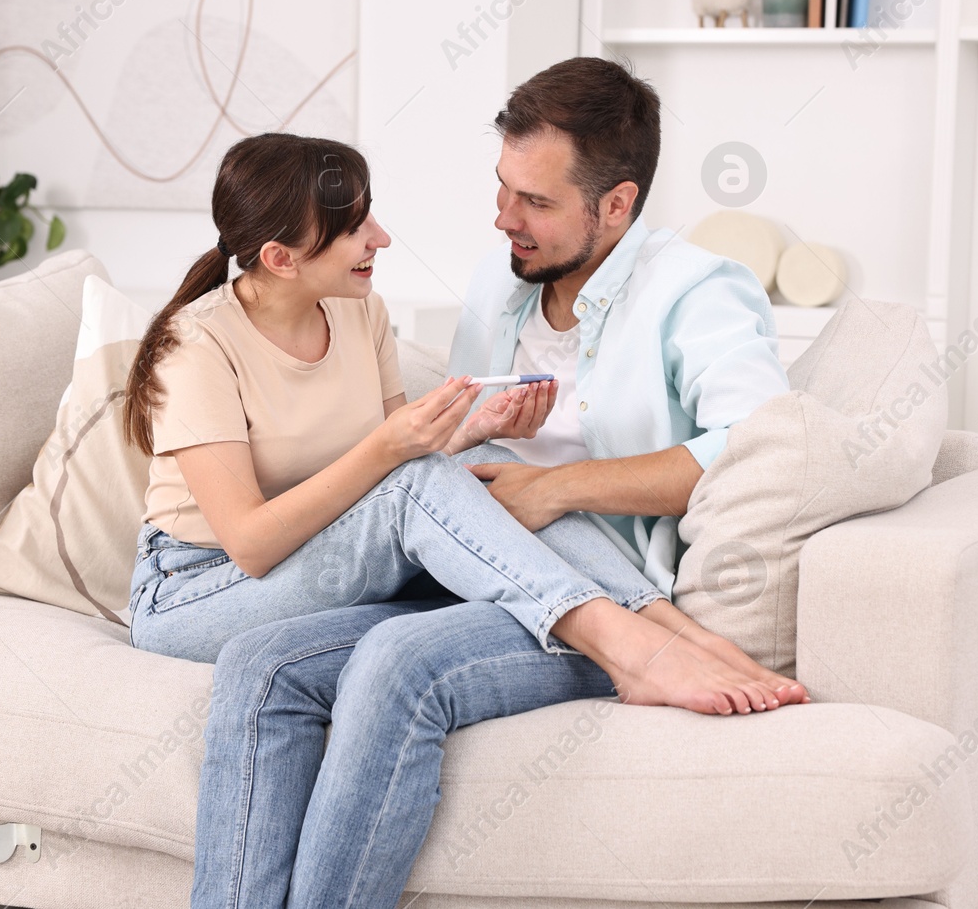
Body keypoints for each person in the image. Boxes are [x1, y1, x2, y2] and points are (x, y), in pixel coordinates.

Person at [190, 58, 804, 909]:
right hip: (467, 572)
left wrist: (559, 488)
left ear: (617, 203)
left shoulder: (697, 292)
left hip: (591, 588)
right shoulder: (501, 279)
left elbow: (756, 450)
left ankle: (643, 637)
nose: (503, 218)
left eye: (537, 203)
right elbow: (448, 465)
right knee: (259, 662)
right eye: (504, 189)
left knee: (394, 661)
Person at [122, 130, 800, 717]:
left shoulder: (359, 309)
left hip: (319, 552)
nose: (380, 238)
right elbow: (250, 541)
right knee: (429, 480)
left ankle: (680, 632)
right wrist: (397, 447)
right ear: (281, 258)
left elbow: (403, 469)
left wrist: (473, 430)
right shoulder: (198, 345)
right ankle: (623, 647)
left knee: (513, 480)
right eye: (356, 228)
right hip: (197, 589)